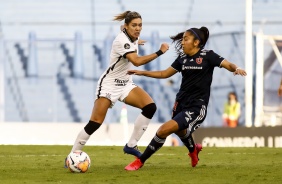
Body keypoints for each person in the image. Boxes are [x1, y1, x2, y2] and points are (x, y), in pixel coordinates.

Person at [124, 26, 247, 171]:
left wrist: (236, 68)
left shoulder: (208, 56)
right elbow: (164, 74)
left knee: (164, 130)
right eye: (182, 39)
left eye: (186, 39)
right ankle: (193, 150)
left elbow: (228, 64)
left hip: (196, 106)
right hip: (180, 102)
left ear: (196, 43)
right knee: (180, 131)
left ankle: (140, 161)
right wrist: (141, 73)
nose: (182, 42)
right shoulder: (182, 58)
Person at [65, 10, 169, 167]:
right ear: (126, 26)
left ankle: (131, 145)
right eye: (134, 25)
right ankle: (72, 156)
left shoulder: (130, 35)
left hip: (126, 84)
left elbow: (126, 32)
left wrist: (137, 40)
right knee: (95, 122)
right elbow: (136, 61)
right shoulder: (122, 41)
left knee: (150, 107)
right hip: (109, 84)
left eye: (140, 25)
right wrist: (160, 52)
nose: (138, 28)